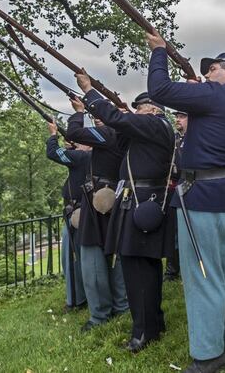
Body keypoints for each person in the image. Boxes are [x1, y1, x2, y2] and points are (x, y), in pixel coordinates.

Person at [146, 31, 225, 373]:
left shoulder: (215, 95)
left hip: (208, 200)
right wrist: (198, 89)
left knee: (204, 276)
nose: (209, 72)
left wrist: (158, 53)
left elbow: (160, 91)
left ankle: (209, 355)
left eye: (215, 69)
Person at [76, 74, 177, 352]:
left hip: (141, 201)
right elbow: (119, 141)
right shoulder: (151, 130)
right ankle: (153, 324)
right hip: (141, 200)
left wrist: (90, 91)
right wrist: (115, 117)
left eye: (140, 108)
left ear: (153, 109)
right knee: (144, 269)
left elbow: (122, 122)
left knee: (137, 272)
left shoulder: (155, 123)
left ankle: (143, 332)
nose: (136, 112)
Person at [66, 98, 128, 332]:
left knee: (92, 257)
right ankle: (121, 305)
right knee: (116, 257)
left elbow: (74, 132)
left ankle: (100, 314)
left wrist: (79, 112)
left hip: (100, 199)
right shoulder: (119, 133)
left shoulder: (110, 133)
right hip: (110, 196)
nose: (100, 116)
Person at [45, 124, 91, 311]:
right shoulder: (88, 156)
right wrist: (73, 146)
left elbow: (53, 153)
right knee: (81, 258)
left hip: (76, 214)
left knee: (71, 259)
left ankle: (75, 300)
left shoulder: (82, 156)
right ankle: (83, 296)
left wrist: (53, 134)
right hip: (81, 212)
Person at [164, 110, 189, 282]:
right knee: (173, 231)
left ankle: (187, 267)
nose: (177, 120)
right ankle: (172, 270)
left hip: (190, 188)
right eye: (177, 117)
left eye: (182, 116)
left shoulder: (195, 139)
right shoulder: (174, 139)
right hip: (174, 189)